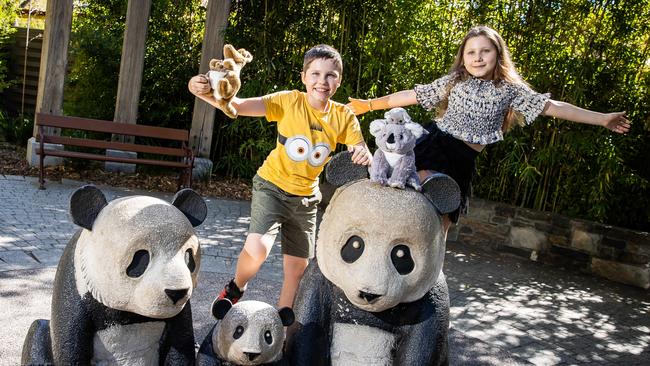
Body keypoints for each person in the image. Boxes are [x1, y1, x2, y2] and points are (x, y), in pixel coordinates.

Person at [347, 25, 630, 237]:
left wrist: (602, 118)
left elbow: (555, 106)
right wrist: (370, 104)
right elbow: (412, 95)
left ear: (497, 54)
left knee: (442, 224)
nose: (478, 57)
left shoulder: (510, 91)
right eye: (471, 52)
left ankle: (427, 283)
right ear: (463, 57)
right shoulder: (455, 80)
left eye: (485, 51)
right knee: (413, 188)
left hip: (462, 159)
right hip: (434, 144)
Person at [188, 44, 372, 309]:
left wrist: (363, 154)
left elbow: (359, 148)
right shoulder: (289, 101)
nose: (322, 81)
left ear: (338, 80)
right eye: (316, 74)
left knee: (297, 268)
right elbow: (236, 106)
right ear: (304, 77)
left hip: (306, 199)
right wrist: (201, 92)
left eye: (330, 75)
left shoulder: (343, 116)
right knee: (258, 249)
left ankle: (285, 325)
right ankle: (235, 288)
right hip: (272, 186)